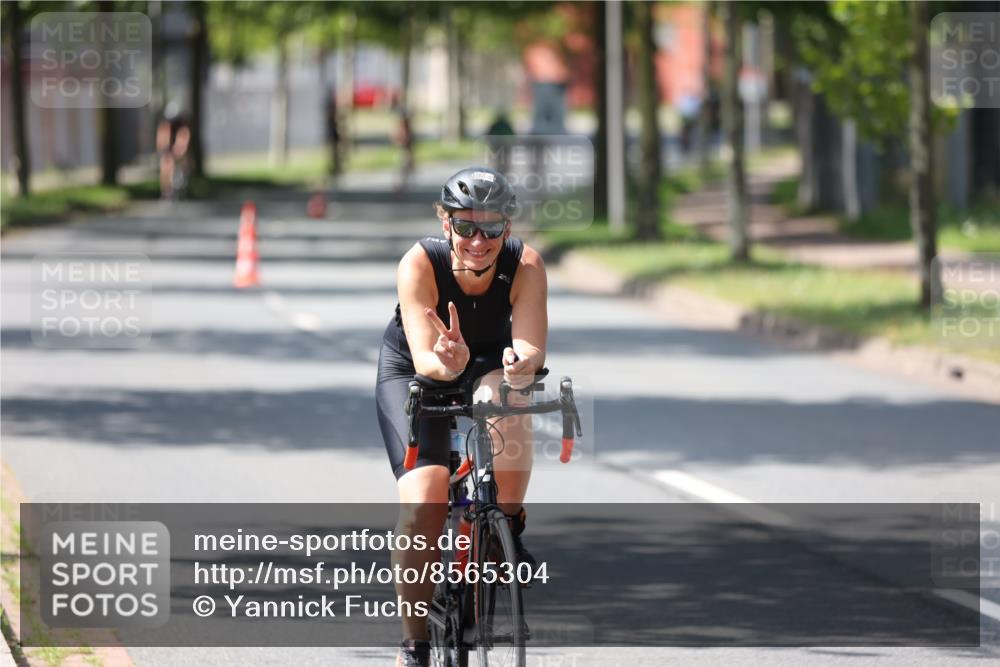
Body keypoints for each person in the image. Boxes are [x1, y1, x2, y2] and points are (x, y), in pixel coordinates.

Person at [375, 167, 547, 667]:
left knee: (509, 400)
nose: (478, 239)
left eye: (491, 227)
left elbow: (531, 346)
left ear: (507, 230)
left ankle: (500, 531)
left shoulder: (527, 265)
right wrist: (443, 362)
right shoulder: (419, 264)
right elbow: (429, 360)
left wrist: (523, 365)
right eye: (465, 226)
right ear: (445, 223)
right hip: (416, 366)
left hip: (491, 361)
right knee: (426, 501)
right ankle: (415, 644)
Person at [156, 101, 191, 200]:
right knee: (165, 164)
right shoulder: (165, 125)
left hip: (178, 149)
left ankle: (183, 182)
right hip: (168, 150)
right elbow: (162, 140)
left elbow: (184, 138)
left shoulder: (182, 126)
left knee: (184, 161)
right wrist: (163, 151)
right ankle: (166, 190)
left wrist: (180, 150)